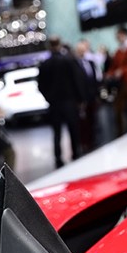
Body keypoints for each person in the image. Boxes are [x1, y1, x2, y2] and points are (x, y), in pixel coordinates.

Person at [37, 36, 87, 168]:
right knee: (73, 129)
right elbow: (77, 81)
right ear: (60, 45)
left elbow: (41, 86)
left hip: (54, 104)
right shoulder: (69, 60)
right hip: (69, 102)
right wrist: (80, 99)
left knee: (57, 132)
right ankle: (76, 153)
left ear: (49, 46)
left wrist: (48, 98)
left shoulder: (45, 64)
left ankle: (58, 158)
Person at [74, 39, 101, 154]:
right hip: (81, 98)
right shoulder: (74, 65)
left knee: (93, 119)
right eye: (79, 50)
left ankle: (93, 141)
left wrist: (96, 94)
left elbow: (94, 79)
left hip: (92, 96)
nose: (82, 52)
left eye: (83, 50)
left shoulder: (90, 62)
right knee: (83, 123)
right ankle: (85, 143)